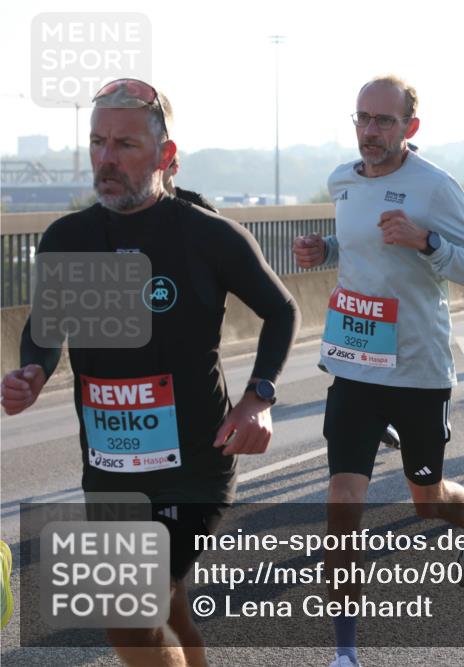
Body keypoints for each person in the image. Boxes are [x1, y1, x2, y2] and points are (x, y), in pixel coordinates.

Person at [0, 78, 300, 667]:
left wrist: (258, 396)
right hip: (110, 467)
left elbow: (282, 310)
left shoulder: (205, 236)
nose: (106, 159)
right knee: (168, 609)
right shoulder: (73, 238)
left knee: (129, 615)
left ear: (164, 155)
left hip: (193, 465)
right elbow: (45, 328)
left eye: (125, 145)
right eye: (97, 143)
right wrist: (32, 371)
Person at [291, 76, 464, 667]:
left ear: (410, 127)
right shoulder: (342, 182)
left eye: (384, 120)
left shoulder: (435, 187)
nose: (370, 131)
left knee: (427, 502)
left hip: (419, 371)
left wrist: (426, 240)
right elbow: (357, 246)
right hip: (355, 366)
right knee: (341, 505)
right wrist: (325, 252)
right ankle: (345, 653)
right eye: (362, 118)